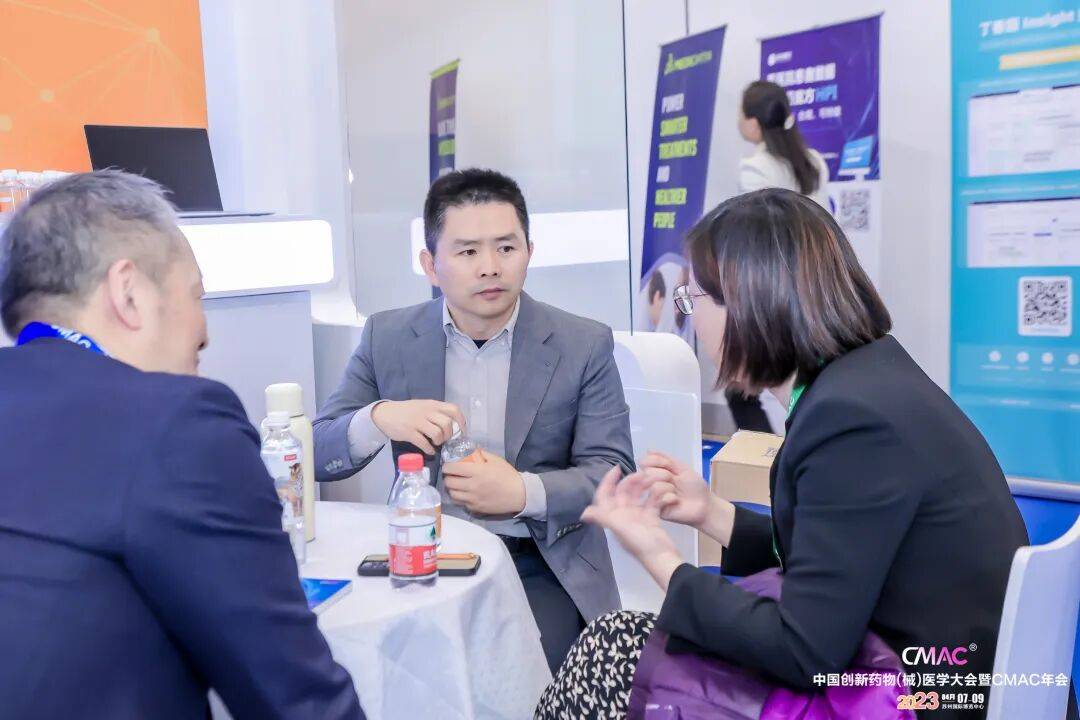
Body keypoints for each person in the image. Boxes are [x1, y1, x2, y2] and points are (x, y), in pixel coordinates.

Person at [535, 188, 1031, 720]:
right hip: (925, 670)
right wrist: (711, 513)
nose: (692, 322)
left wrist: (658, 554)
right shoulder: (869, 377)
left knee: (605, 659)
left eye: (693, 300)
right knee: (613, 642)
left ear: (749, 303)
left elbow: (803, 649)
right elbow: (834, 561)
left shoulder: (849, 421)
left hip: (913, 697)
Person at [0, 171, 364, 720]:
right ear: (128, 293)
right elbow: (296, 699)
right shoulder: (177, 426)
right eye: (196, 294)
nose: (204, 331)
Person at [314, 168, 634, 673]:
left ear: (529, 251)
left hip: (538, 562)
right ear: (430, 264)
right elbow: (316, 452)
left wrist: (522, 492)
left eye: (506, 248)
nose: (490, 268)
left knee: (536, 685)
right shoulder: (387, 337)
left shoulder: (583, 343)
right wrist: (378, 418)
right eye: (467, 252)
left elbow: (613, 473)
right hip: (424, 557)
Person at [725, 80, 832, 434]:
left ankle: (770, 459)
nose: (738, 120)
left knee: (741, 387)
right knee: (804, 385)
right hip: (815, 287)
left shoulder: (755, 168)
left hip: (773, 291)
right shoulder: (814, 162)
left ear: (754, 123)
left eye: (741, 113)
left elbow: (757, 238)